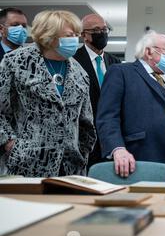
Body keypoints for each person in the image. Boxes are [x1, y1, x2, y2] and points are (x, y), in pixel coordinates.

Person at [0, 10, 96, 177]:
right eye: (69, 35)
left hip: (70, 168)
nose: (75, 39)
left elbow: (86, 121)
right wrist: (11, 145)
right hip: (26, 166)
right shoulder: (16, 63)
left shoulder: (80, 72)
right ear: (49, 36)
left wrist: (82, 152)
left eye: (76, 34)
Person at [96, 31, 165, 179]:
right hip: (137, 158)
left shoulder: (162, 83)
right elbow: (107, 116)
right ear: (149, 52)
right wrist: (117, 148)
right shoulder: (121, 72)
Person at [73, 14, 121, 169]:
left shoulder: (115, 62)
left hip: (109, 134)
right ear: (83, 35)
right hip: (83, 133)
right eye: (96, 30)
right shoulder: (73, 60)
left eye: (104, 29)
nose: (102, 33)